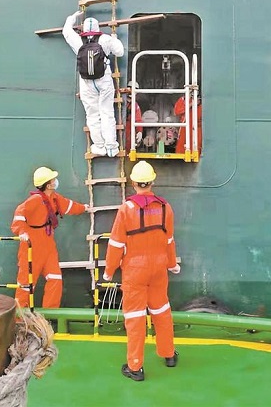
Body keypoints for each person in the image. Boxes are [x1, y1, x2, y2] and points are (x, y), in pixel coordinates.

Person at [103, 161, 181, 381]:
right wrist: (172, 264)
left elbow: (116, 244)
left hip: (135, 271)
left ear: (133, 182)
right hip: (159, 269)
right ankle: (169, 355)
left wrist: (109, 271)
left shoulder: (126, 209)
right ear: (152, 181)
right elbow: (169, 240)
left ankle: (135, 367)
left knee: (136, 318)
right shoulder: (166, 207)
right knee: (162, 311)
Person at [11, 166, 89, 308]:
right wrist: (21, 232)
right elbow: (19, 213)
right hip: (31, 247)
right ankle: (19, 317)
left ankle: (50, 314)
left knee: (55, 279)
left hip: (48, 246)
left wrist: (84, 208)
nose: (56, 181)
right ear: (48, 184)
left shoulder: (54, 199)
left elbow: (68, 206)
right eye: (53, 179)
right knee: (26, 285)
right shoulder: (35, 200)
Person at [63, 11, 124, 157]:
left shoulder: (77, 41)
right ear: (98, 28)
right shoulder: (105, 39)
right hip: (104, 80)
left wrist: (73, 17)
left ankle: (99, 146)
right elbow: (120, 52)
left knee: (92, 115)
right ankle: (111, 147)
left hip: (86, 83)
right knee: (107, 112)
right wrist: (114, 38)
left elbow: (66, 30)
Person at [125, 81, 143, 151]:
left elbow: (138, 120)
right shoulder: (120, 102)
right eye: (130, 88)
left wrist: (139, 131)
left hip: (129, 131)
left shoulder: (135, 106)